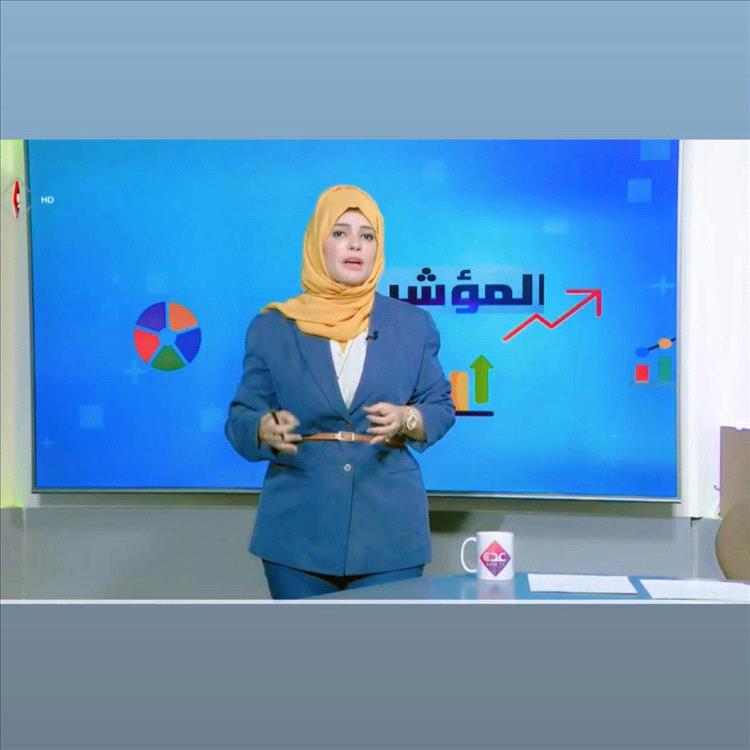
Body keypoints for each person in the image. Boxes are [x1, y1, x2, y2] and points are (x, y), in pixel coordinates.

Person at [225, 184, 455, 599]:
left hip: (389, 531)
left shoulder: (413, 325)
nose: (355, 245)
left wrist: (407, 418)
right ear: (318, 242)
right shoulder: (274, 327)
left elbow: (440, 406)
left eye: (367, 236)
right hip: (297, 532)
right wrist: (262, 428)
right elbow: (240, 417)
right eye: (340, 233)